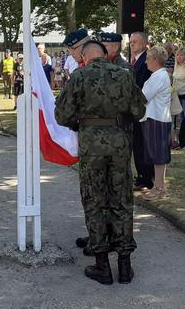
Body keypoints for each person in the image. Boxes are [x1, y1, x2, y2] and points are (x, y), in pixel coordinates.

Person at [55, 40, 146, 285]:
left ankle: (102, 266)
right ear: (106, 55)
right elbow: (139, 111)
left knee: (95, 201)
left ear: (84, 58)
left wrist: (82, 120)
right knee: (122, 200)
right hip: (119, 144)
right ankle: (125, 267)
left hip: (91, 145)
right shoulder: (125, 75)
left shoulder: (80, 76)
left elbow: (62, 114)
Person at [139, 47, 172, 200]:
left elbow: (143, 97)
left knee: (158, 155)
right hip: (156, 118)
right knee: (157, 155)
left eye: (148, 58)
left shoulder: (158, 76)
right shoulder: (158, 75)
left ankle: (159, 188)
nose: (146, 62)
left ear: (156, 60)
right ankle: (160, 186)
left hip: (156, 118)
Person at [129, 31, 155, 189]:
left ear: (145, 43)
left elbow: (142, 86)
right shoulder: (136, 60)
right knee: (138, 144)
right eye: (131, 42)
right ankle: (142, 176)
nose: (132, 44)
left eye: (136, 42)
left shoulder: (146, 60)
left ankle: (146, 178)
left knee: (142, 145)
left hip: (143, 110)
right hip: (137, 110)